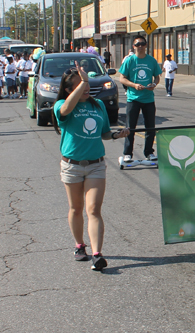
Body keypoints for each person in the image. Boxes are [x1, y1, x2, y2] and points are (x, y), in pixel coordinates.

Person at [53, 63, 130, 270]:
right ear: (70, 90)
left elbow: (104, 132)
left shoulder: (98, 106)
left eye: (87, 84)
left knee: (94, 209)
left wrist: (115, 134)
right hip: (72, 166)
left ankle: (97, 254)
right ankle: (80, 246)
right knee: (76, 208)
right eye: (80, 85)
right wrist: (84, 81)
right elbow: (65, 110)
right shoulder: (62, 104)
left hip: (96, 165)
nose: (86, 88)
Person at [119, 36, 162, 162]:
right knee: (130, 127)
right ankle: (128, 153)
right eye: (137, 44)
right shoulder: (130, 60)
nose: (140, 46)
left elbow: (157, 77)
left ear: (146, 45)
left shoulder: (151, 60)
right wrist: (134, 85)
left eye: (142, 44)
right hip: (133, 98)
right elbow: (122, 78)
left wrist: (154, 84)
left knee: (150, 127)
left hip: (148, 98)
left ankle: (149, 152)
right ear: (134, 46)